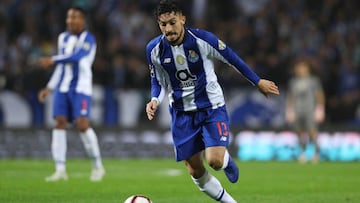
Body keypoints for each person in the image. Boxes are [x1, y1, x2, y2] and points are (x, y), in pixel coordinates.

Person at [145, 0, 279, 202]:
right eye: (163, 25)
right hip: (181, 114)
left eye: (172, 22)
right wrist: (154, 99)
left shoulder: (202, 40)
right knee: (195, 170)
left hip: (211, 108)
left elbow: (232, 59)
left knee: (214, 161)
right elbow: (157, 80)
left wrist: (257, 81)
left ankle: (225, 160)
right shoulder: (153, 49)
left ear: (183, 19)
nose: (168, 29)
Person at [37, 6, 105, 182]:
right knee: (59, 123)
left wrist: (52, 59)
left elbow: (77, 57)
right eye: (69, 17)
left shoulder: (88, 39)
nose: (71, 21)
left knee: (82, 124)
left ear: (82, 20)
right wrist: (49, 87)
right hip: (62, 88)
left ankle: (98, 166)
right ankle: (60, 170)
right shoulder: (63, 38)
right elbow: (62, 67)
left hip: (81, 88)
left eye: (75, 17)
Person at [285, 60, 325, 164]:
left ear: (307, 69)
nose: (300, 70)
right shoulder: (293, 81)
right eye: (298, 68)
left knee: (312, 131)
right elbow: (291, 96)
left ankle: (316, 153)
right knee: (299, 132)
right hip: (298, 110)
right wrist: (290, 110)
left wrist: (320, 108)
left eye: (302, 67)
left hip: (310, 110)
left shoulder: (313, 81)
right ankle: (301, 153)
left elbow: (319, 94)